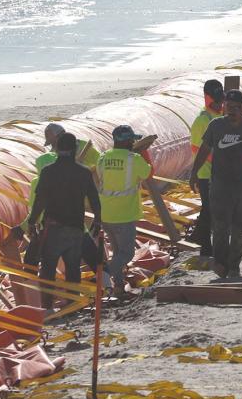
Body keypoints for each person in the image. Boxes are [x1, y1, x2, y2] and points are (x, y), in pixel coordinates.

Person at [190, 90, 242, 281]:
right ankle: (220, 263)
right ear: (224, 106)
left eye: (236, 108)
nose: (231, 111)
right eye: (228, 107)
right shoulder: (216, 126)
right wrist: (194, 173)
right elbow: (204, 150)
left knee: (240, 228)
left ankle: (234, 265)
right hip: (220, 186)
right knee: (220, 227)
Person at [26, 132, 101, 312]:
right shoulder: (83, 172)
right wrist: (98, 221)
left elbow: (40, 201)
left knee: (48, 269)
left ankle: (47, 307)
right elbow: (94, 198)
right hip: (75, 228)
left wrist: (31, 222)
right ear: (75, 149)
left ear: (57, 149)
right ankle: (73, 304)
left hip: (53, 229)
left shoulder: (48, 172)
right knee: (73, 268)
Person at [17, 122, 100, 246]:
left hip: (81, 204)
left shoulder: (86, 150)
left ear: (60, 138)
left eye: (53, 143)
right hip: (73, 210)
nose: (54, 147)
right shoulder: (49, 159)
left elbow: (100, 169)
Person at [97, 125, 153, 298]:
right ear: (129, 141)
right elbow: (148, 173)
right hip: (124, 214)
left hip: (106, 214)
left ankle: (119, 287)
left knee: (117, 252)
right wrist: (144, 152)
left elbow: (100, 178)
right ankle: (105, 272)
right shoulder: (133, 159)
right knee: (126, 253)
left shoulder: (103, 157)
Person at [189, 79, 224, 263]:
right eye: (216, 101)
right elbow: (197, 149)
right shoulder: (203, 119)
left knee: (214, 210)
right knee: (209, 210)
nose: (220, 104)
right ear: (207, 98)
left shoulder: (220, 116)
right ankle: (203, 244)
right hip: (206, 174)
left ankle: (201, 239)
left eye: (221, 100)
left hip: (220, 173)